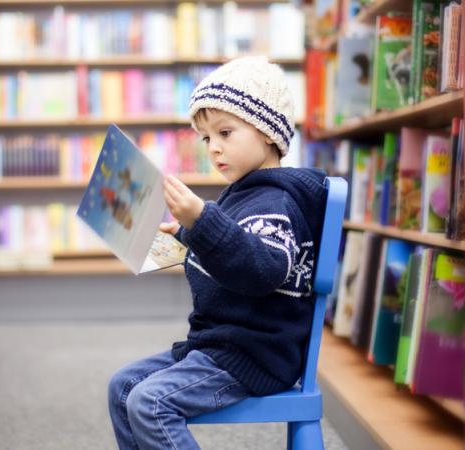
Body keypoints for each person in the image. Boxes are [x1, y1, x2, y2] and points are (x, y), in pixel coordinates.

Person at [108, 56, 328, 450]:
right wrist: (184, 235)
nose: (214, 148)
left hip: (253, 356)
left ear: (267, 132)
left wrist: (203, 220)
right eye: (207, 138)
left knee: (150, 402)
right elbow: (232, 250)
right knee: (123, 386)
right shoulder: (244, 196)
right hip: (217, 346)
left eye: (226, 132)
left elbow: (262, 268)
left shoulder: (276, 202)